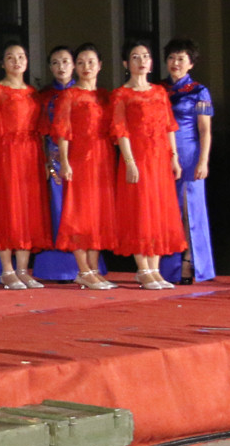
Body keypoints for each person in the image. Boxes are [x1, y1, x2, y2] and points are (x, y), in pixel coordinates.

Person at [111, 42, 186, 289]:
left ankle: (154, 269)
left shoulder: (159, 92)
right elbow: (120, 130)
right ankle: (142, 268)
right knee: (140, 211)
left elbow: (169, 126)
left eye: (146, 56)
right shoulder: (122, 94)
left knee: (159, 211)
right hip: (137, 157)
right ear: (126, 64)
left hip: (159, 159)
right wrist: (130, 161)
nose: (141, 60)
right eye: (135, 56)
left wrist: (174, 157)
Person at [0, 43, 53, 288]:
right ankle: (7, 269)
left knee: (28, 210)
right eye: (10, 57)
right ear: (2, 64)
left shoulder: (33, 93)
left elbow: (42, 131)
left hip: (31, 155)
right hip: (6, 153)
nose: (16, 61)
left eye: (21, 56)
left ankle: (23, 269)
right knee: (7, 209)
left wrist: (44, 161)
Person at [52, 43, 117, 289]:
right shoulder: (69, 95)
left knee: (97, 215)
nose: (86, 67)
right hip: (79, 159)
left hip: (103, 159)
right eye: (80, 62)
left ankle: (93, 269)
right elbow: (62, 132)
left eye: (91, 62)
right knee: (78, 214)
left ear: (100, 65)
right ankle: (83, 269)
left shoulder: (104, 96)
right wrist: (65, 162)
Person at [160, 39, 214, 283]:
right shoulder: (158, 89)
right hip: (160, 156)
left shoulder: (198, 91)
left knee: (189, 210)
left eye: (181, 58)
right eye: (172, 57)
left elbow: (205, 130)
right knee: (164, 210)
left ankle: (190, 262)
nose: (175, 63)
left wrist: (203, 161)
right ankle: (165, 266)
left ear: (191, 63)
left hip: (190, 154)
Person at [31, 46, 81, 282]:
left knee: (83, 212)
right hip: (54, 158)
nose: (61, 67)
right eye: (55, 62)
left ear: (74, 65)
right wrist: (44, 161)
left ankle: (85, 266)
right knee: (57, 210)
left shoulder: (85, 92)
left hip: (83, 158)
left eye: (65, 62)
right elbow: (39, 132)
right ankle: (54, 268)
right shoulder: (43, 96)